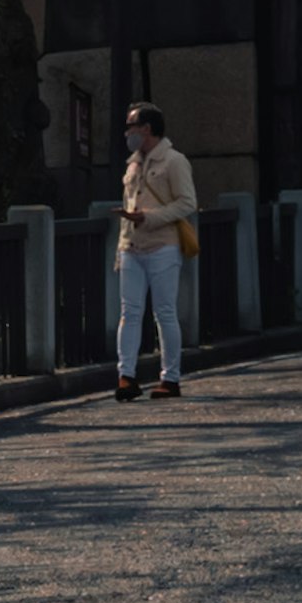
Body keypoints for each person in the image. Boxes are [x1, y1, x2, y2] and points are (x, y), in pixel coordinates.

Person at [116, 97, 199, 399]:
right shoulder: (134, 163)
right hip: (132, 246)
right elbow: (128, 205)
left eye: (132, 126)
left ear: (147, 128)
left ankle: (171, 377)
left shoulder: (174, 161)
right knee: (130, 312)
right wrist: (121, 248)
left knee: (164, 312)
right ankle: (126, 376)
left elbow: (187, 202)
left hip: (163, 245)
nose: (127, 133)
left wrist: (149, 218)